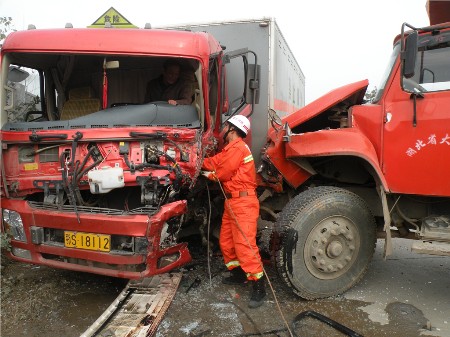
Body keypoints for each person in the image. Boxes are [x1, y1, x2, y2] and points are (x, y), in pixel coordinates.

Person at [201, 115, 266, 308]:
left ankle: (259, 287)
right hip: (233, 202)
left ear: (233, 129)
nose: (223, 129)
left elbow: (222, 173)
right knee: (227, 242)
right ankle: (239, 275)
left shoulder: (238, 148)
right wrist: (197, 161)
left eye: (226, 126)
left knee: (245, 246)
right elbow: (215, 162)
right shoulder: (230, 149)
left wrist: (207, 174)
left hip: (243, 203)